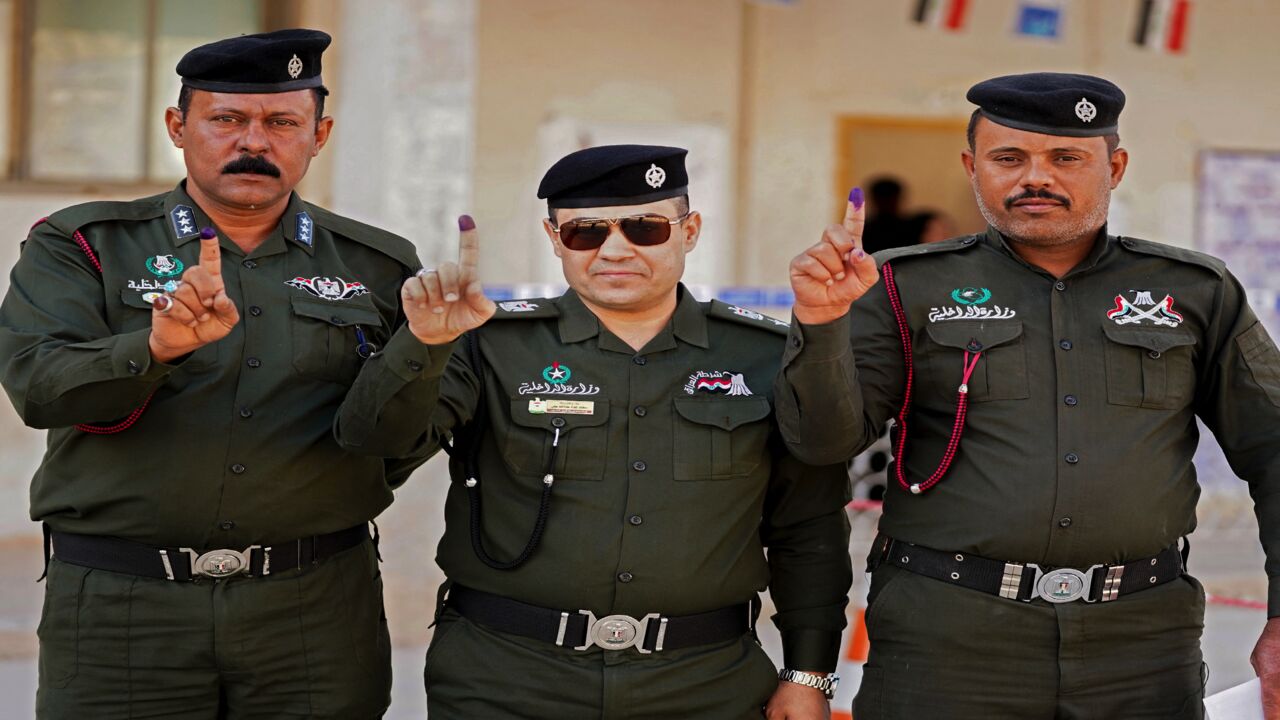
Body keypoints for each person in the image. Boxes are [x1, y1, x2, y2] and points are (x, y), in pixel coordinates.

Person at [777, 72, 1280, 719]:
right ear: (972, 166)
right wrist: (821, 325)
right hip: (946, 644)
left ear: (1116, 166)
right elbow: (823, 443)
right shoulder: (903, 285)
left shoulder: (1194, 291)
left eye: (1066, 158)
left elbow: (1274, 449)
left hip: (1141, 651)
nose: (1034, 178)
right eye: (1008, 158)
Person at [0, 29, 434, 718]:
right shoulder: (85, 244)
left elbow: (402, 434)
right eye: (227, 118)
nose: (254, 142)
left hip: (312, 610)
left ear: (318, 135)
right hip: (124, 609)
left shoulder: (376, 266)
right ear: (179, 126)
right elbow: (38, 384)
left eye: (281, 122)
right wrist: (155, 348)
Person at [391, 144, 852, 719]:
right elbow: (382, 453)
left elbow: (806, 525)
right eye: (585, 232)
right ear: (555, 238)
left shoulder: (762, 354)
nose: (615, 250)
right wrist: (420, 348)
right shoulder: (489, 344)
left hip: (704, 684)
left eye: (645, 228)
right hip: (506, 679)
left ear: (691, 231)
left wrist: (810, 672)